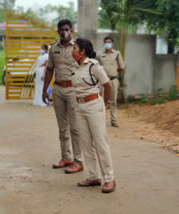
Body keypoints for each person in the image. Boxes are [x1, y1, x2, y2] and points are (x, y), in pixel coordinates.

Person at [71, 38, 116, 193]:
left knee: (100, 142)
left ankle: (109, 179)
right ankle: (93, 177)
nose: (72, 51)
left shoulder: (93, 66)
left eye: (74, 48)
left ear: (82, 51)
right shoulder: (74, 67)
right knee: (86, 143)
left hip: (94, 106)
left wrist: (104, 103)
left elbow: (107, 84)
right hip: (79, 106)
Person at [42, 19, 84, 174]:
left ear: (71, 30)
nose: (64, 32)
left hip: (73, 89)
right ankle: (66, 157)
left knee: (75, 127)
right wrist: (45, 89)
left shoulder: (78, 48)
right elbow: (49, 69)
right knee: (62, 128)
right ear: (57, 31)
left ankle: (78, 161)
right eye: (61, 29)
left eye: (66, 29)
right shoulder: (53, 48)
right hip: (58, 89)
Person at [96, 36, 125, 127]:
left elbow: (121, 66)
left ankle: (114, 120)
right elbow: (95, 66)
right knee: (101, 101)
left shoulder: (117, 54)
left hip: (113, 80)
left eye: (109, 42)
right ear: (104, 44)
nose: (107, 43)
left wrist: (114, 71)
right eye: (105, 42)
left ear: (112, 43)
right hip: (102, 82)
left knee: (113, 101)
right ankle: (101, 120)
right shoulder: (99, 54)